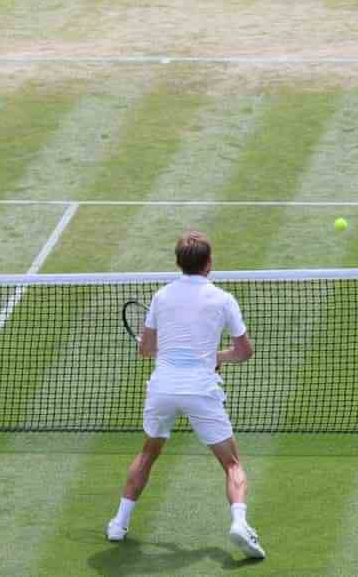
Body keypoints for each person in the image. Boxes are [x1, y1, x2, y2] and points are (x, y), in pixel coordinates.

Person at [106, 230, 266, 560]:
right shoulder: (223, 299)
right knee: (232, 464)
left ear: (179, 263)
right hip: (201, 390)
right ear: (209, 263)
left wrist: (165, 349)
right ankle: (239, 523)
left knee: (149, 453)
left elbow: (147, 350)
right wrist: (214, 357)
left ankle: (118, 524)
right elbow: (244, 351)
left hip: (163, 388)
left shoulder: (161, 297)